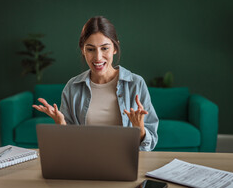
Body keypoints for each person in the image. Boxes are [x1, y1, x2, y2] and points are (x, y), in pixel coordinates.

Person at [33, 16, 158, 151]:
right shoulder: (72, 87)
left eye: (104, 48)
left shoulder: (135, 84)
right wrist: (61, 123)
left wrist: (139, 128)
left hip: (125, 159)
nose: (98, 57)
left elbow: (150, 144)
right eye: (91, 49)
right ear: (83, 49)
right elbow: (67, 146)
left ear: (115, 48)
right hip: (84, 161)